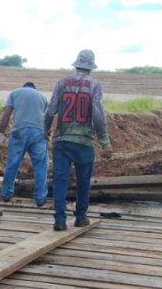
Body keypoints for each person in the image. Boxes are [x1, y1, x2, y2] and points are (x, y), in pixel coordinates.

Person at [44, 49, 113, 231]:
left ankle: (59, 219)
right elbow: (97, 115)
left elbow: (50, 110)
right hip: (84, 142)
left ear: (77, 64)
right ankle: (80, 217)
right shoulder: (95, 85)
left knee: (60, 179)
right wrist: (105, 142)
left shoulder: (61, 83)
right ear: (91, 67)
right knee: (83, 180)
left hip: (61, 139)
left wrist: (45, 130)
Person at [0, 82, 49, 206]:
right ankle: (40, 197)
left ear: (23, 86)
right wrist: (47, 133)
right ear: (34, 88)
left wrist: (1, 132)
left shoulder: (14, 93)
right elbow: (48, 118)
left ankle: (6, 193)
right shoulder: (42, 97)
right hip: (38, 133)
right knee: (40, 166)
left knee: (12, 163)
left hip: (19, 131)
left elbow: (7, 114)